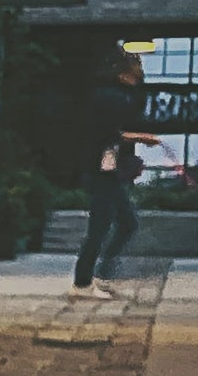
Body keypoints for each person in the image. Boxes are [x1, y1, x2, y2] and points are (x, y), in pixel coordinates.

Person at [70, 50, 169, 295]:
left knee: (125, 223)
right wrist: (141, 138)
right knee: (102, 227)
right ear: (126, 70)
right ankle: (83, 282)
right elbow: (105, 132)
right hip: (101, 169)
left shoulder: (117, 95)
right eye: (137, 65)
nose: (142, 70)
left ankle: (98, 275)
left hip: (107, 169)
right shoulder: (112, 97)